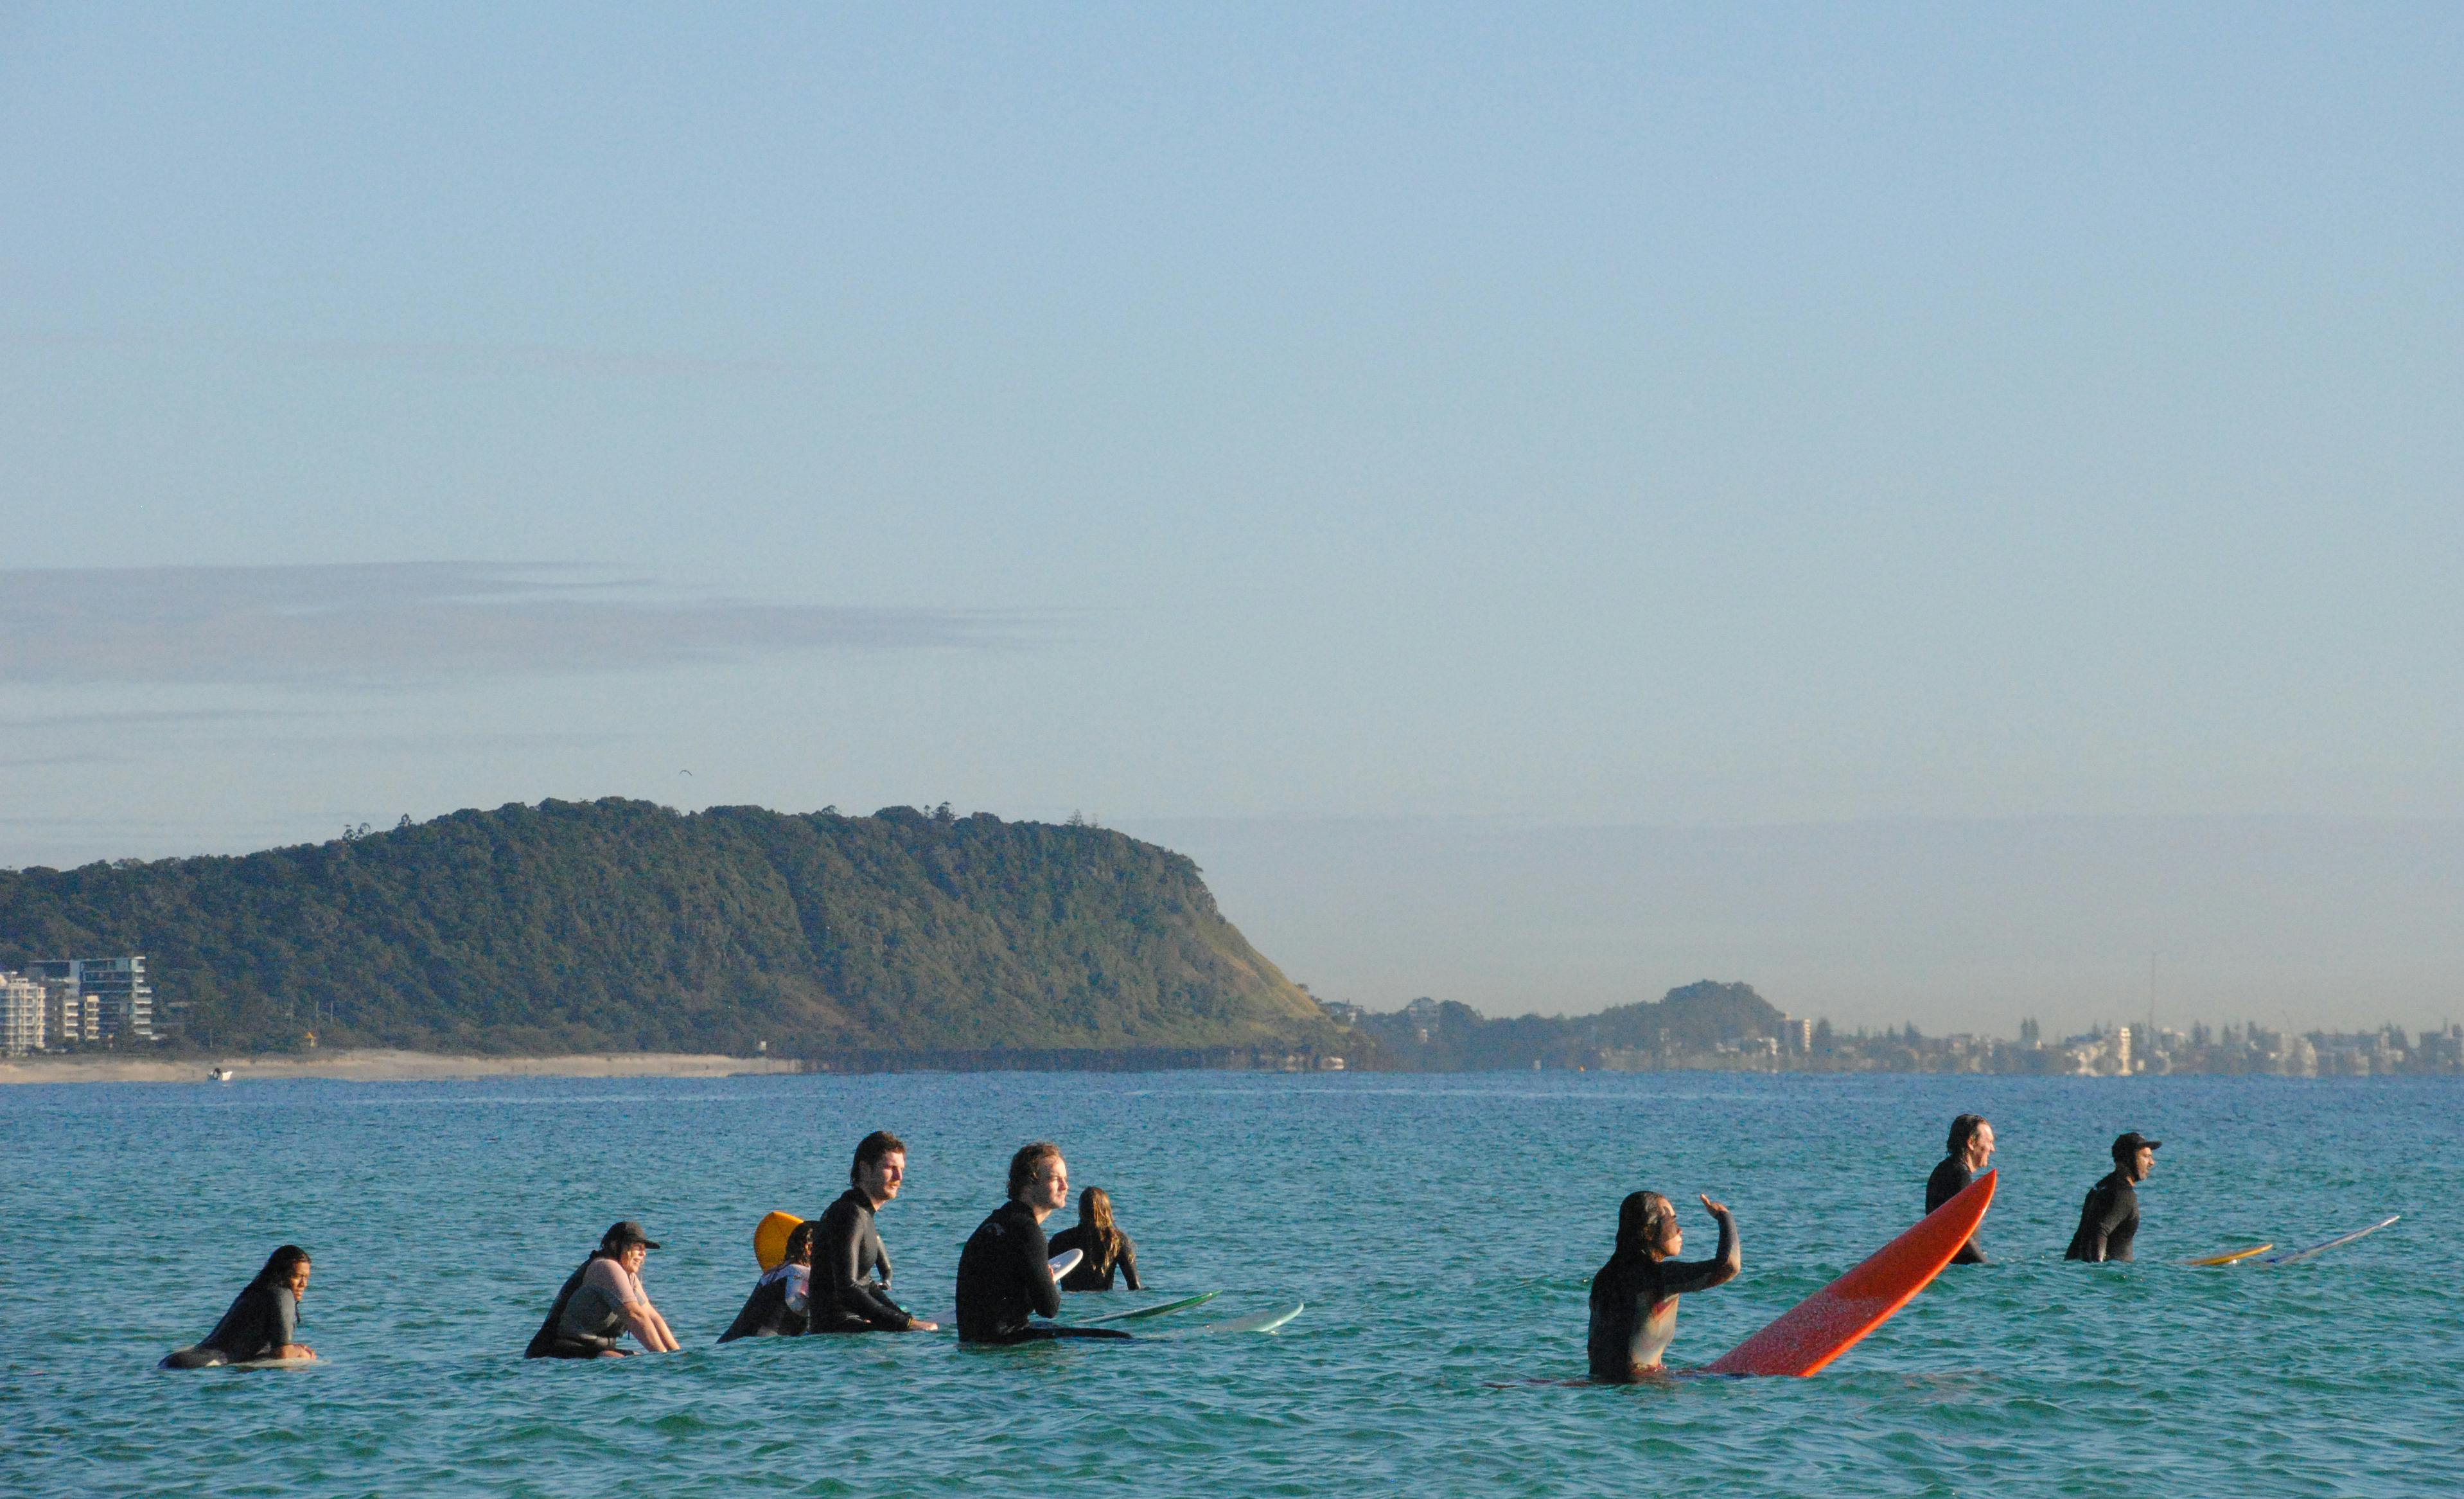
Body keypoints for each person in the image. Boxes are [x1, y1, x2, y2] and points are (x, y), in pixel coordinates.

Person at [955, 1142, 1132, 1344]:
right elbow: (1049, 1309)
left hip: (975, 1338)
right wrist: (1048, 1281)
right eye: (1056, 1179)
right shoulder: (1028, 1231)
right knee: (1121, 1339)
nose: (1065, 1187)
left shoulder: (995, 1223)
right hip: (1005, 1341)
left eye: (1065, 1179)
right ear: (1029, 1184)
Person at [1587, 1191, 1740, 1381]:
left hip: (1602, 1384)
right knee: (1744, 1378)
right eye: (1673, 1222)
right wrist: (1724, 1216)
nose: (1680, 1230)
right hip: (1643, 1390)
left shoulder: (1605, 1276)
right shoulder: (1658, 1277)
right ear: (1649, 1232)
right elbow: (1729, 1266)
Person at [809, 1130, 938, 1334]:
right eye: (890, 1168)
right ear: (865, 1169)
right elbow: (847, 1290)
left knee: (926, 1331)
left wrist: (905, 1319)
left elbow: (865, 1284)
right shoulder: (849, 1214)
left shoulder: (860, 1214)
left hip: (849, 1327)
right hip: (836, 1333)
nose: (899, 1177)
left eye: (902, 1169)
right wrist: (905, 1325)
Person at [524, 1221, 683, 1358]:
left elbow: (652, 1317)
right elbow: (635, 1315)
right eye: (637, 1247)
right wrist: (661, 1357)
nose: (643, 1254)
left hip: (590, 1350)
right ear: (615, 1246)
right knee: (616, 1358)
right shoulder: (606, 1267)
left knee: (635, 1357)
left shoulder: (629, 1276)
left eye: (644, 1249)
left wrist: (675, 1356)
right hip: (551, 1351)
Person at [160, 1245, 316, 1368]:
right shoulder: (283, 1295)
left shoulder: (255, 1290)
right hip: (203, 1365)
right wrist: (301, 1351)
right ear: (281, 1274)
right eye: (297, 1276)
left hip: (177, 1359)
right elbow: (283, 1353)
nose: (304, 1284)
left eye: (306, 1278)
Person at [2066, 1131, 2160, 1263]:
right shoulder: (2124, 1194)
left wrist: (2068, 1267)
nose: (2152, 1163)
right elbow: (2101, 1231)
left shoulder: (2100, 1187)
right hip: (2112, 1277)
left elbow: (2080, 1237)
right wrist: (2097, 1270)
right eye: (2146, 1156)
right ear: (2128, 1159)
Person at [719, 1220, 815, 1342]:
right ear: (809, 1247)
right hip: (760, 1346)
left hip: (728, 1341)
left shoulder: (769, 1275)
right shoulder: (803, 1275)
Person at [1926, 1113, 1996, 1264]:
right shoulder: (1959, 1176)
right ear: (1971, 1142)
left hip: (1941, 1262)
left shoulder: (1942, 1170)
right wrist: (1985, 1267)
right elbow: (1959, 1233)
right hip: (1959, 1267)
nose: (1992, 1149)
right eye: (1989, 1142)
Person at [1047, 1186, 1141, 1292]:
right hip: (1104, 1306)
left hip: (1071, 1303)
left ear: (1081, 1210)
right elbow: (1135, 1286)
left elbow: (1038, 1271)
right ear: (1107, 1210)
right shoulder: (1117, 1240)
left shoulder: (1060, 1239)